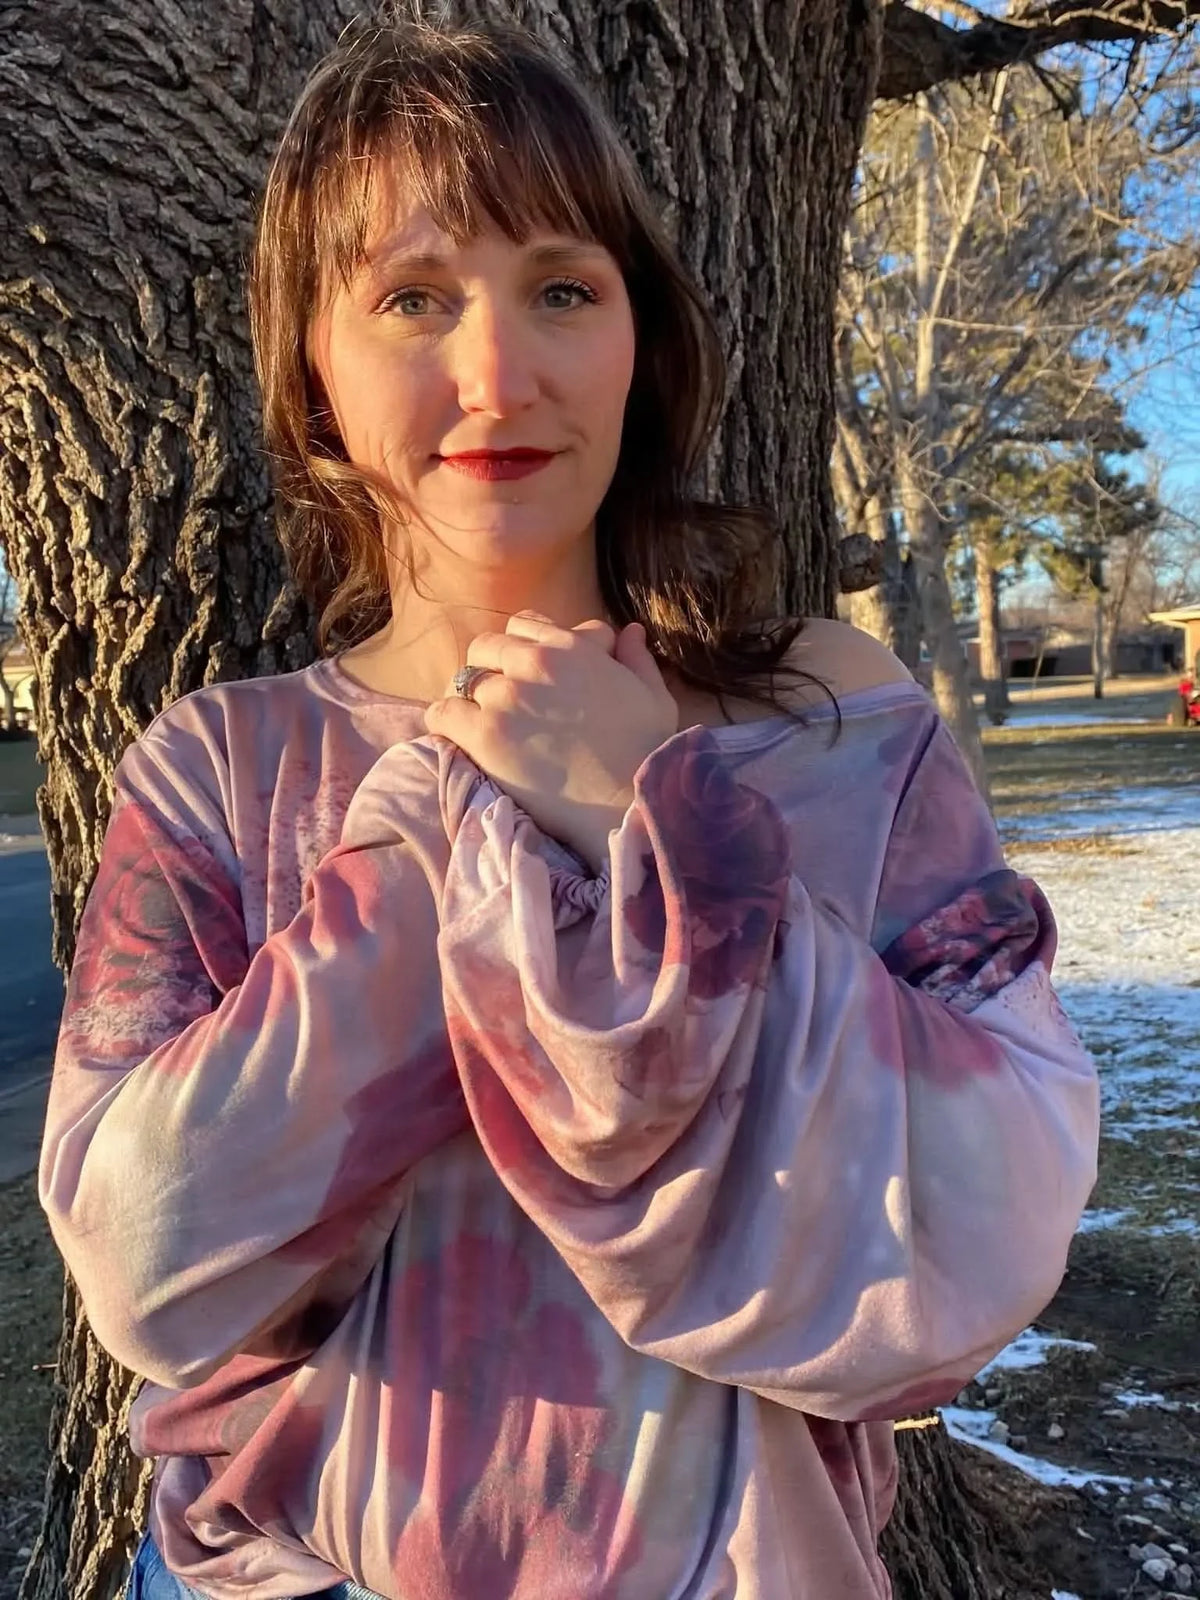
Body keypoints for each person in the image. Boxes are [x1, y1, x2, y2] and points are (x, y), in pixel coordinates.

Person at [39, 14, 1100, 1600]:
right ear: (312, 367)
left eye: (560, 288)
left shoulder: (827, 715)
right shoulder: (220, 769)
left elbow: (996, 1221)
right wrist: (450, 827)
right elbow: (146, 1263)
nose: (498, 371)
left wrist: (646, 819)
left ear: (638, 340)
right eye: (412, 297)